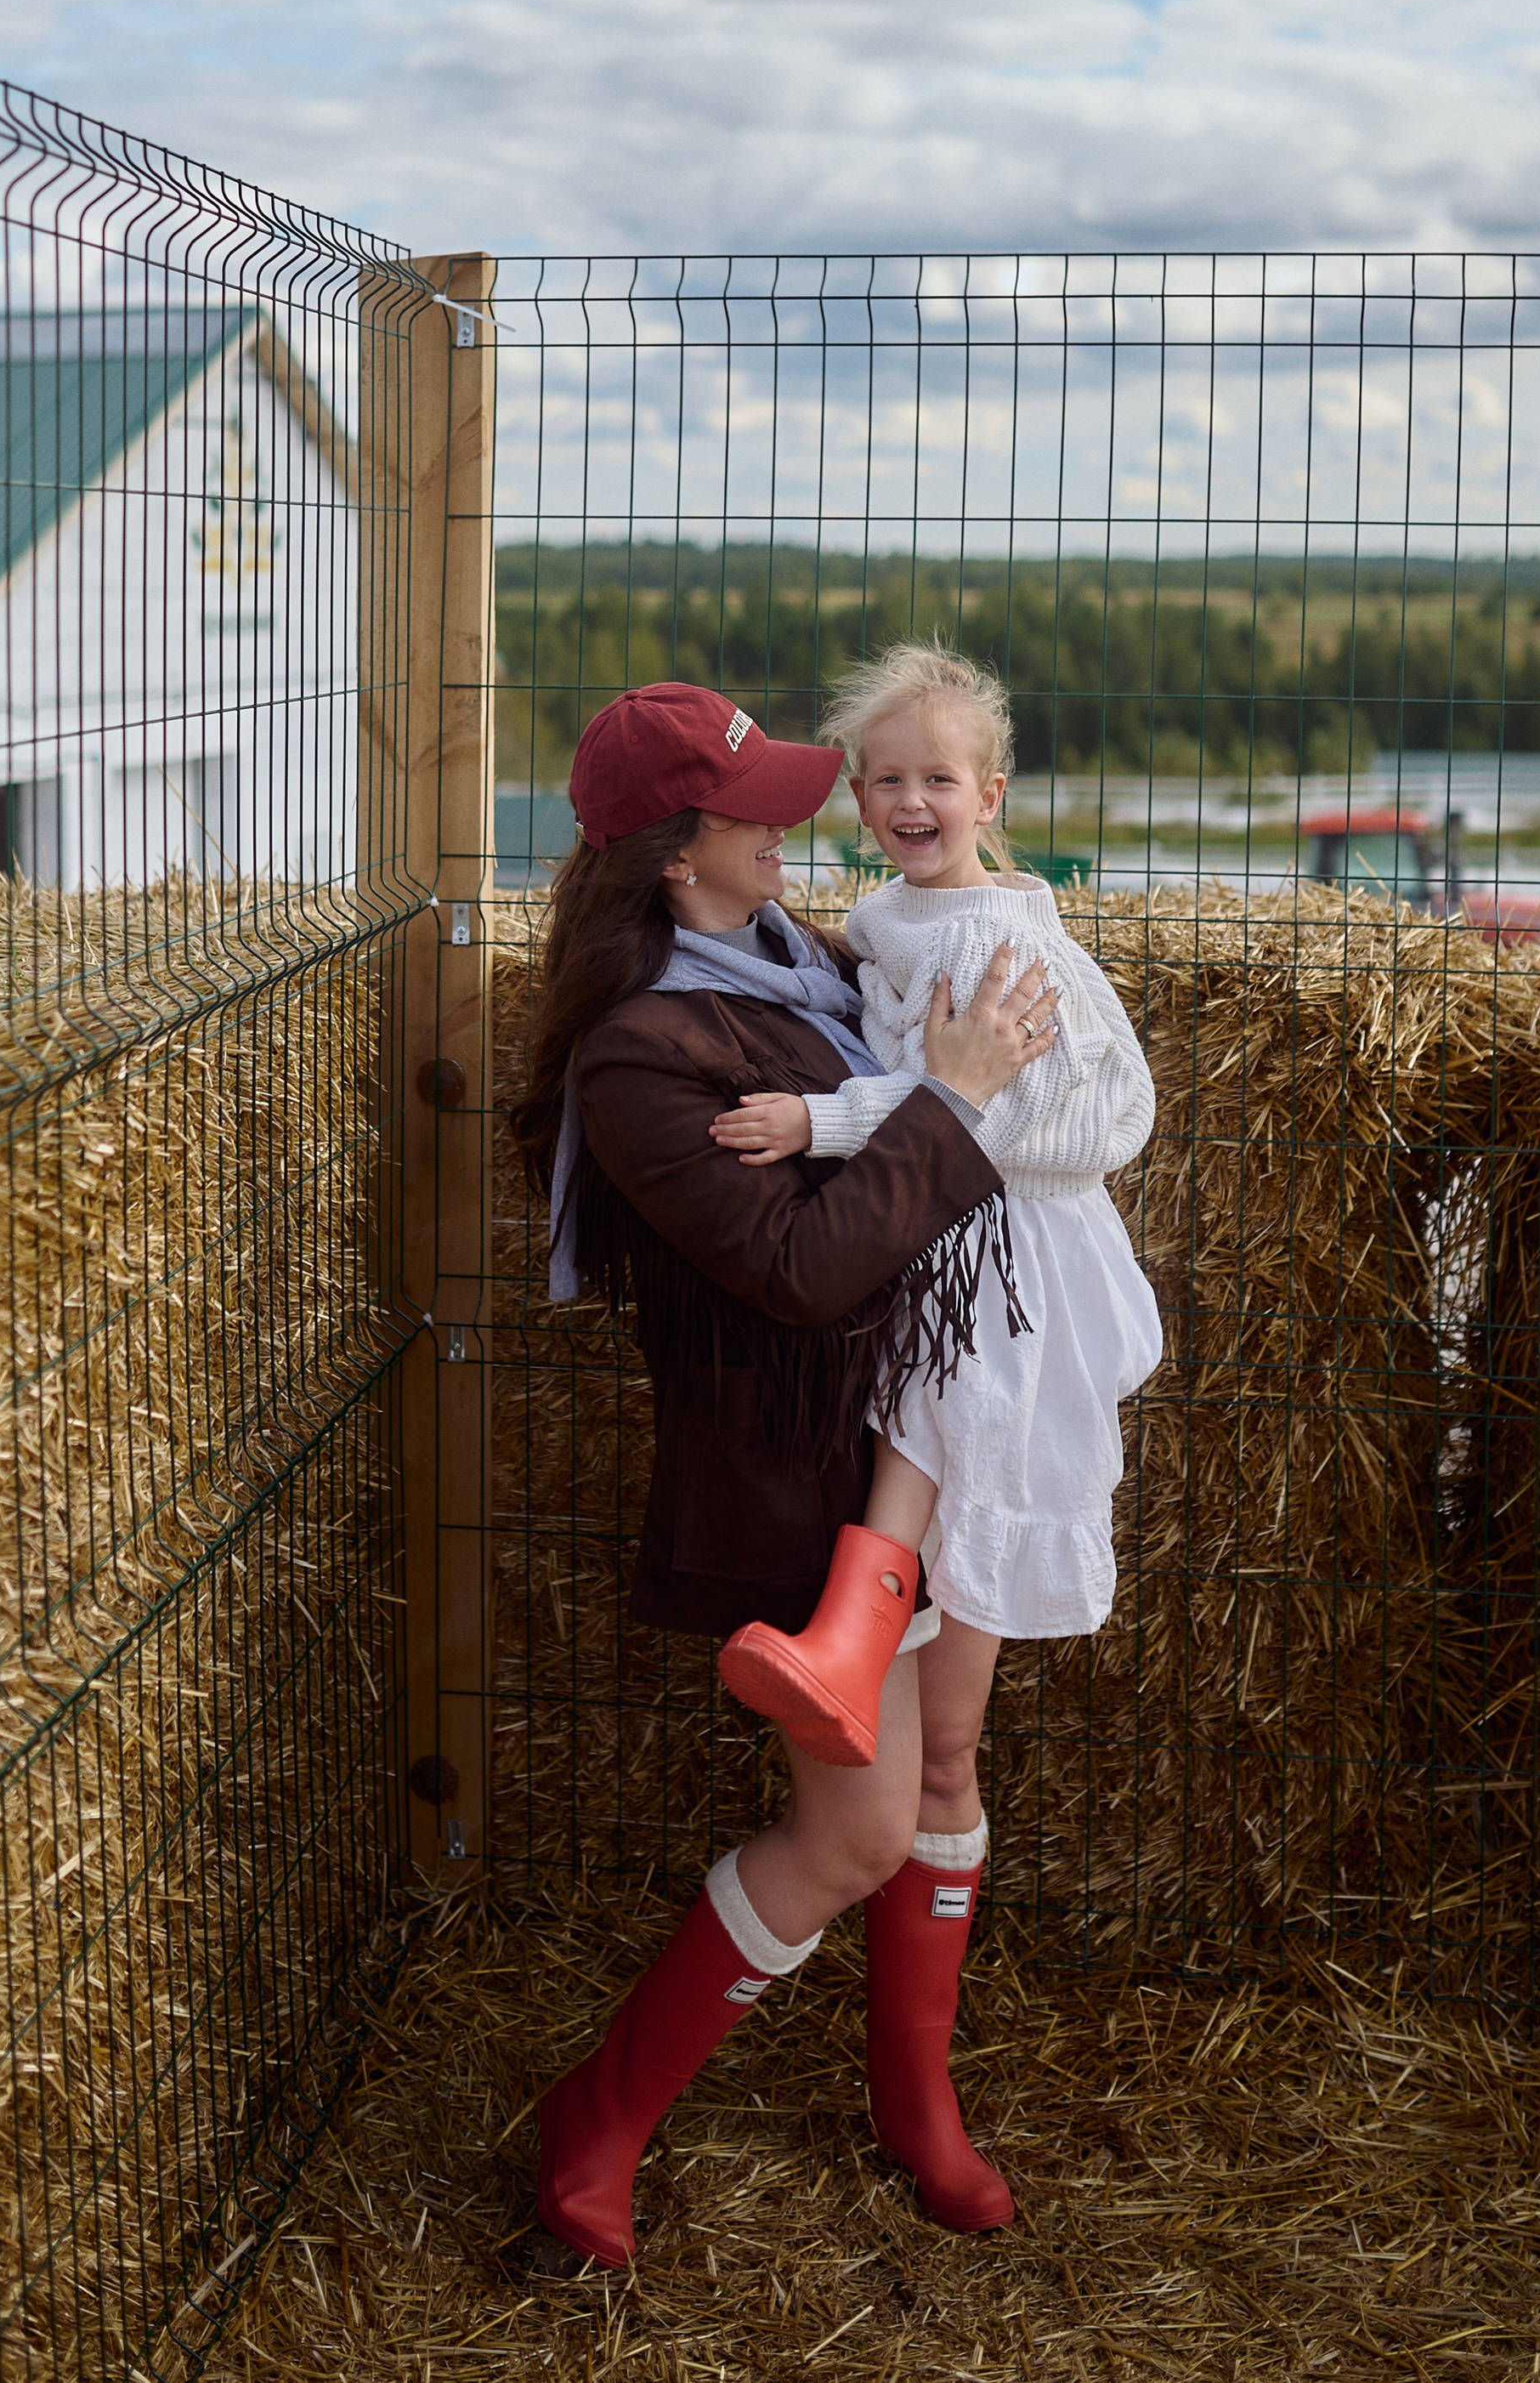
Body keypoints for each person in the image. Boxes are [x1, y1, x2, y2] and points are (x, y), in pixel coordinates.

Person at [507, 678, 1060, 2270]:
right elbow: (805, 1268)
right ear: (680, 854)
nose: (797, 816)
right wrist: (954, 1096)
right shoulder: (639, 1057)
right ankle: (596, 2120)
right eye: (759, 804)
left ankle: (917, 2110)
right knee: (857, 1834)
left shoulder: (801, 955)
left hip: (939, 1434)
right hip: (802, 1471)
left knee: (946, 1772)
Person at [710, 640, 1162, 1765]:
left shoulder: (988, 941)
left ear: (990, 795)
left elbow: (959, 1108)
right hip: (946, 1212)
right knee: (916, 1409)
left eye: (941, 779)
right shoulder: (896, 916)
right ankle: (857, 1646)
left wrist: (820, 1123)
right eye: (889, 780)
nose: (914, 800)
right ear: (859, 797)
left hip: (1007, 1233)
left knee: (928, 1398)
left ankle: (851, 1643)